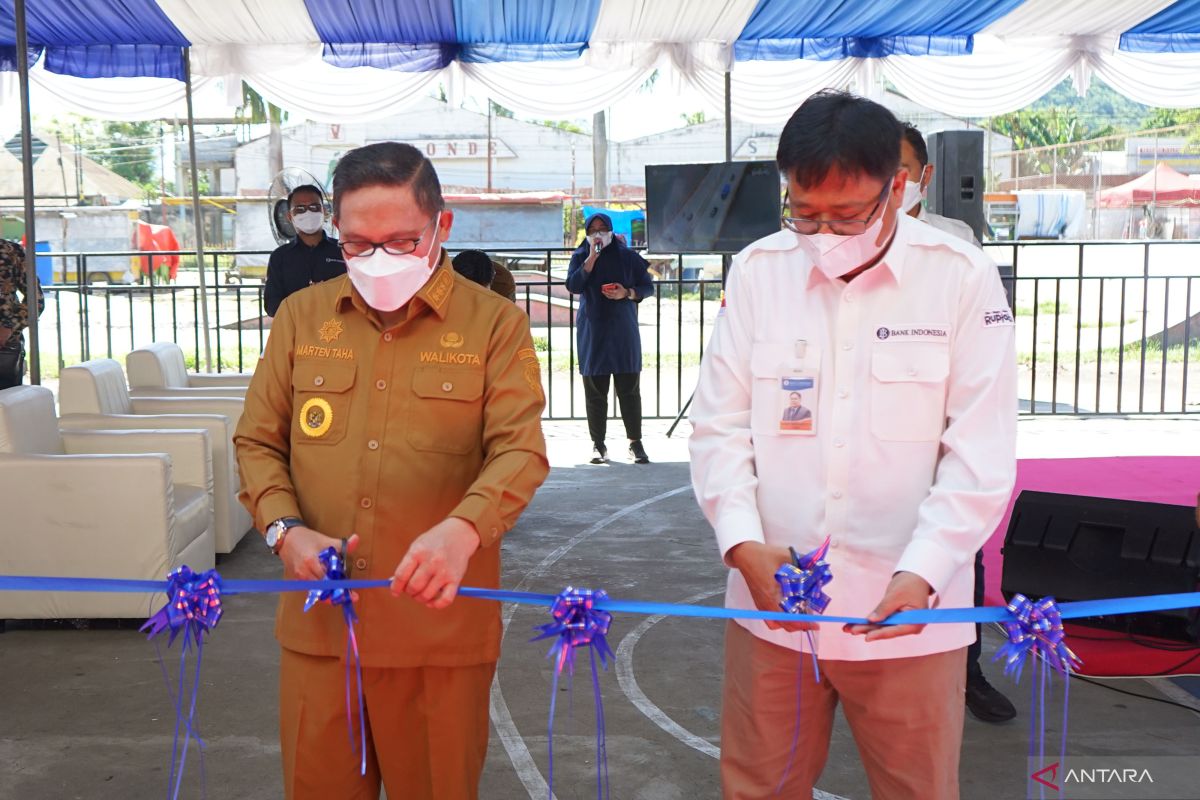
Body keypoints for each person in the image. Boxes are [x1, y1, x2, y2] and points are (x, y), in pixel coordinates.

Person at [689, 91, 1016, 800]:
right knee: (759, 788)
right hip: (772, 611)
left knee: (917, 789)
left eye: (847, 214)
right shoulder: (758, 273)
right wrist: (744, 547)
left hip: (911, 621)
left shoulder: (959, 279)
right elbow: (718, 429)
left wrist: (925, 570)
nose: (822, 233)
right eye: (803, 213)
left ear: (899, 187)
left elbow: (980, 451)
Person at [234, 142, 549, 800]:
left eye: (401, 241)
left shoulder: (495, 326)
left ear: (442, 227)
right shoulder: (301, 318)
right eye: (358, 243)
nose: (377, 259)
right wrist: (285, 532)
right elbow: (258, 441)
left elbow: (520, 450)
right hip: (323, 630)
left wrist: (463, 530)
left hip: (439, 638)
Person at [901, 121, 1016, 724]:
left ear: (924, 176)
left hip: (941, 419)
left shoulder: (957, 242)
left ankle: (965, 672)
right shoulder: (831, 242)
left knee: (957, 552)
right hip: (877, 427)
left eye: (901, 173)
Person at [565, 212, 655, 464]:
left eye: (602, 228)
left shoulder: (628, 257)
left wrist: (627, 292)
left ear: (611, 231)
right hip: (593, 328)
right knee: (595, 388)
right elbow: (573, 286)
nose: (597, 233)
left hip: (622, 329)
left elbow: (647, 286)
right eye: (592, 230)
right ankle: (598, 444)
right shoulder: (580, 256)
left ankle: (635, 442)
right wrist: (591, 260)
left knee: (629, 387)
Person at [263, 184, 346, 317]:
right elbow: (271, 306)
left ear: (324, 212)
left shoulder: (343, 251)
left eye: (314, 207)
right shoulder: (280, 257)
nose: (308, 213)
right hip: (297, 333)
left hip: (339, 330)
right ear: (290, 216)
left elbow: (357, 296)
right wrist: (305, 301)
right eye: (300, 209)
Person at [898, 123, 980, 245]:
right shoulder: (860, 240)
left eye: (899, 172)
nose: (889, 183)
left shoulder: (958, 238)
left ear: (926, 175)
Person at [0, 238, 44, 390]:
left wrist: (9, 327)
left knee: (5, 408)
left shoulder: (11, 251)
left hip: (4, 348)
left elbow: (36, 299)